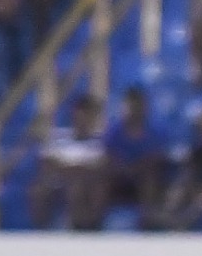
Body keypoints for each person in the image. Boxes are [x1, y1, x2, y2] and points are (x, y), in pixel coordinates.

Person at [30, 93, 109, 230]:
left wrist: (72, 169)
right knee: (37, 190)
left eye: (87, 117)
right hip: (59, 181)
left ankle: (83, 229)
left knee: (79, 186)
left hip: (86, 183)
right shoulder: (58, 137)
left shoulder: (99, 142)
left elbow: (100, 168)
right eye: (80, 116)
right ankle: (41, 232)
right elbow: (47, 162)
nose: (83, 120)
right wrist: (73, 169)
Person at [103, 85, 168, 211]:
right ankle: (91, 224)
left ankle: (148, 220)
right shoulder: (113, 132)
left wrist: (137, 168)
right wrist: (124, 169)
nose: (135, 110)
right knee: (100, 179)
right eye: (132, 106)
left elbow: (156, 157)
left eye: (138, 106)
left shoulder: (155, 132)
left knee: (151, 177)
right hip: (118, 178)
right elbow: (109, 156)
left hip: (143, 177)